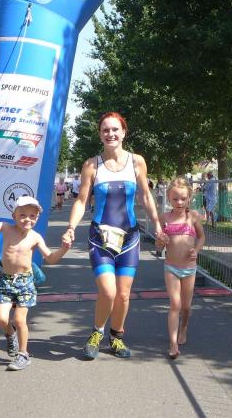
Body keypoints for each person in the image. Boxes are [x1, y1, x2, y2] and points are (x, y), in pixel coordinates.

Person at [62, 111, 166, 360]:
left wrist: (157, 225)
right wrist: (71, 227)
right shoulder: (91, 165)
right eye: (105, 130)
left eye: (115, 129)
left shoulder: (137, 162)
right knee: (108, 292)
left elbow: (145, 196)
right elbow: (82, 201)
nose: (110, 134)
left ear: (123, 132)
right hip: (100, 238)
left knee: (123, 293)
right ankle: (97, 332)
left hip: (129, 238)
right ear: (100, 135)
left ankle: (116, 336)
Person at [0, 186, 72, 371]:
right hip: (7, 281)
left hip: (25, 283)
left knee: (20, 320)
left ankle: (23, 354)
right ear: (13, 216)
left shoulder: (35, 237)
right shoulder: (6, 228)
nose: (27, 219)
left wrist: (64, 249)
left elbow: (51, 259)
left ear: (37, 218)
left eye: (32, 216)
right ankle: (10, 334)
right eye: (22, 215)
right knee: (0, 318)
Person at [155, 177, 205, 359]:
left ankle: (184, 327)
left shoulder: (193, 217)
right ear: (169, 198)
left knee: (186, 306)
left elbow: (201, 237)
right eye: (175, 199)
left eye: (183, 199)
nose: (179, 202)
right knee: (175, 304)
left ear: (189, 198)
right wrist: (161, 241)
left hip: (189, 268)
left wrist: (196, 251)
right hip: (171, 268)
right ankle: (173, 343)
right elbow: (158, 246)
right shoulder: (164, 218)